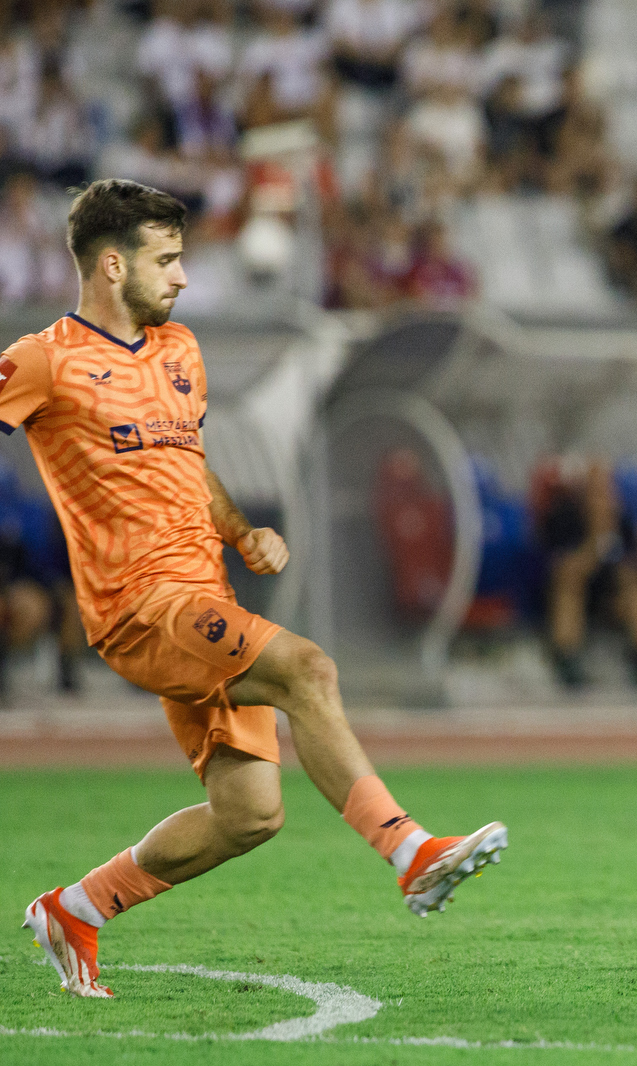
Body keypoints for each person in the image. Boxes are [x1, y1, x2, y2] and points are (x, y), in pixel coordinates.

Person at [11, 180, 507, 999]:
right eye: (165, 261)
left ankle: (76, 909)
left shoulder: (179, 352)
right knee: (307, 668)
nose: (180, 277)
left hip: (202, 597)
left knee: (249, 814)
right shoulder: (45, 360)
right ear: (110, 264)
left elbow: (186, 461)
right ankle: (411, 854)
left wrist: (240, 532)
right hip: (142, 608)